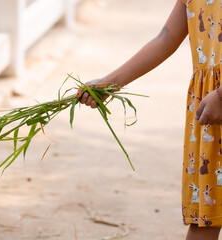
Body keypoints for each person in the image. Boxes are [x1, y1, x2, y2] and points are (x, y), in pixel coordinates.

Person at [78, 1, 222, 239]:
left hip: (216, 99)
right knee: (205, 217)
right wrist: (108, 83)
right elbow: (165, 39)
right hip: (208, 112)